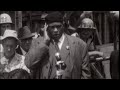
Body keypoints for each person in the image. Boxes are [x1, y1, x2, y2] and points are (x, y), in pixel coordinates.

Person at [38, 11, 91, 79]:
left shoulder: (80, 45)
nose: (55, 30)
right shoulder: (38, 43)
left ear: (63, 25)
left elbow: (86, 75)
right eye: (52, 27)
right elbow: (29, 64)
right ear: (46, 28)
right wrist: (45, 42)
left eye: (58, 26)